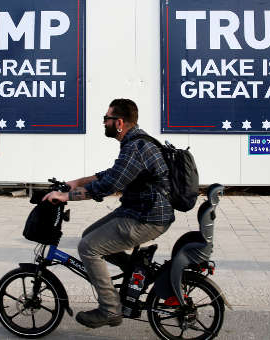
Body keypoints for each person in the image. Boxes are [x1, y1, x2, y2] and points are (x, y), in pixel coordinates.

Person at [43, 98, 174, 328]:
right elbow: (112, 173)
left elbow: (109, 185)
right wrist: (76, 182)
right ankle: (135, 268)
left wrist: (66, 197)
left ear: (120, 122)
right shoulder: (135, 142)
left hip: (147, 218)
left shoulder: (136, 147)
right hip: (140, 210)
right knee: (88, 234)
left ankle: (110, 309)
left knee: (88, 248)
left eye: (107, 119)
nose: (104, 123)